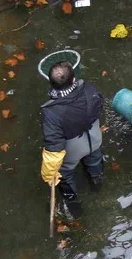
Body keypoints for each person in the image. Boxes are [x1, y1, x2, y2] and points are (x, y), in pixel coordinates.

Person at [39, 62, 104, 216]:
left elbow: (54, 146)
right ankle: (97, 183)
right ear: (74, 80)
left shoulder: (51, 112)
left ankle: (74, 207)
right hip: (94, 137)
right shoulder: (89, 89)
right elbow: (100, 105)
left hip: (72, 147)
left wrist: (49, 173)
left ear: (51, 84)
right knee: (95, 161)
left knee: (64, 174)